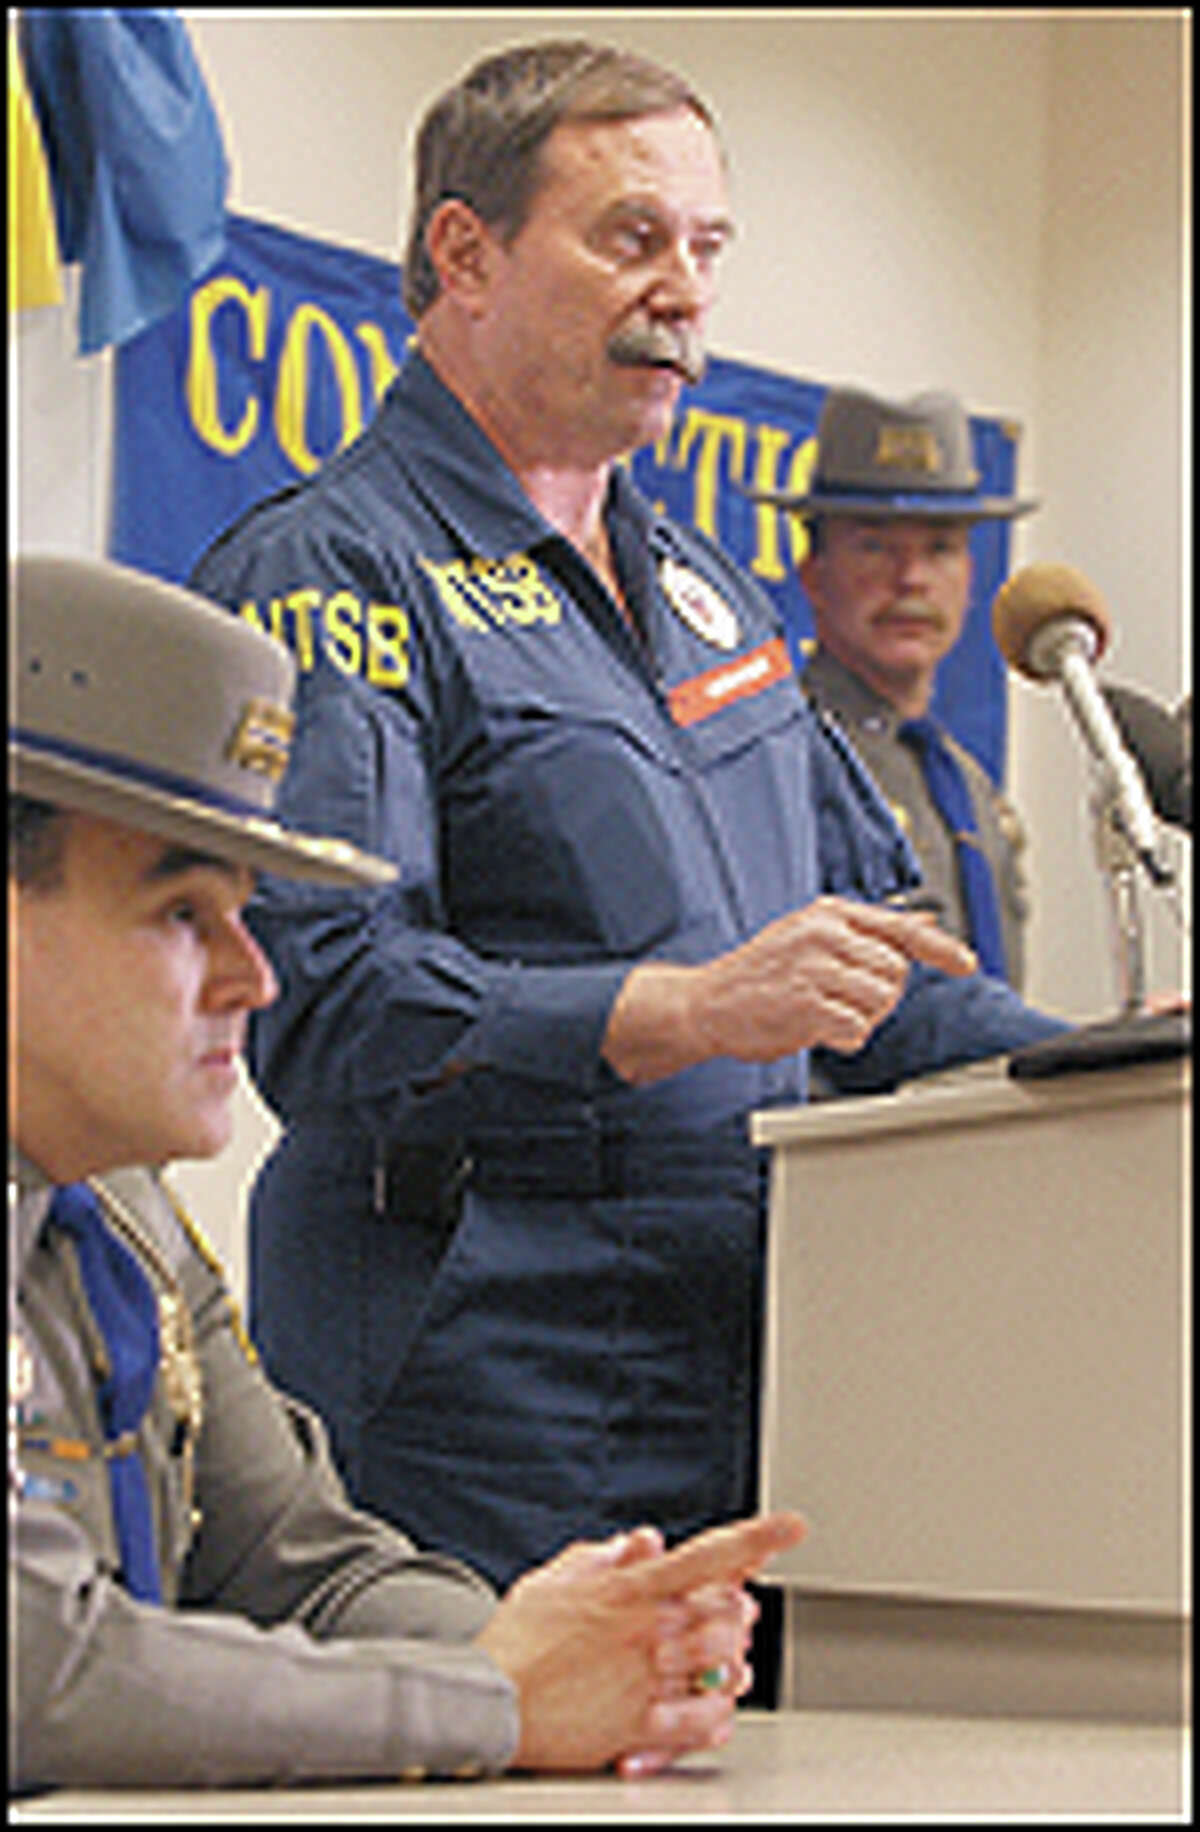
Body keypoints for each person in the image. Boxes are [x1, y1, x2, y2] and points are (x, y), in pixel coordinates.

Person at [188, 40, 1068, 1611]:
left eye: (708, 249)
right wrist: (679, 1010)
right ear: (465, 253)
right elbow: (323, 1000)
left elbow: (879, 970)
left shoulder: (710, 593)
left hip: (735, 1360)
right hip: (471, 1384)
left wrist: (1101, 1063)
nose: (684, 291)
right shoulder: (337, 571)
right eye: (632, 237)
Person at [9, 551, 808, 1792]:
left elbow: (308, 1563)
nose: (254, 977)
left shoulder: (121, 1218)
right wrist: (492, 1697)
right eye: (182, 914)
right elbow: (39, 1677)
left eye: (249, 911)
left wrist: (574, 1644)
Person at [754, 385, 1036, 991]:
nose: (910, 579)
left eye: (939, 549)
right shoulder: (776, 759)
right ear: (813, 575)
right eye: (875, 546)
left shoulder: (968, 785)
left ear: (969, 577)